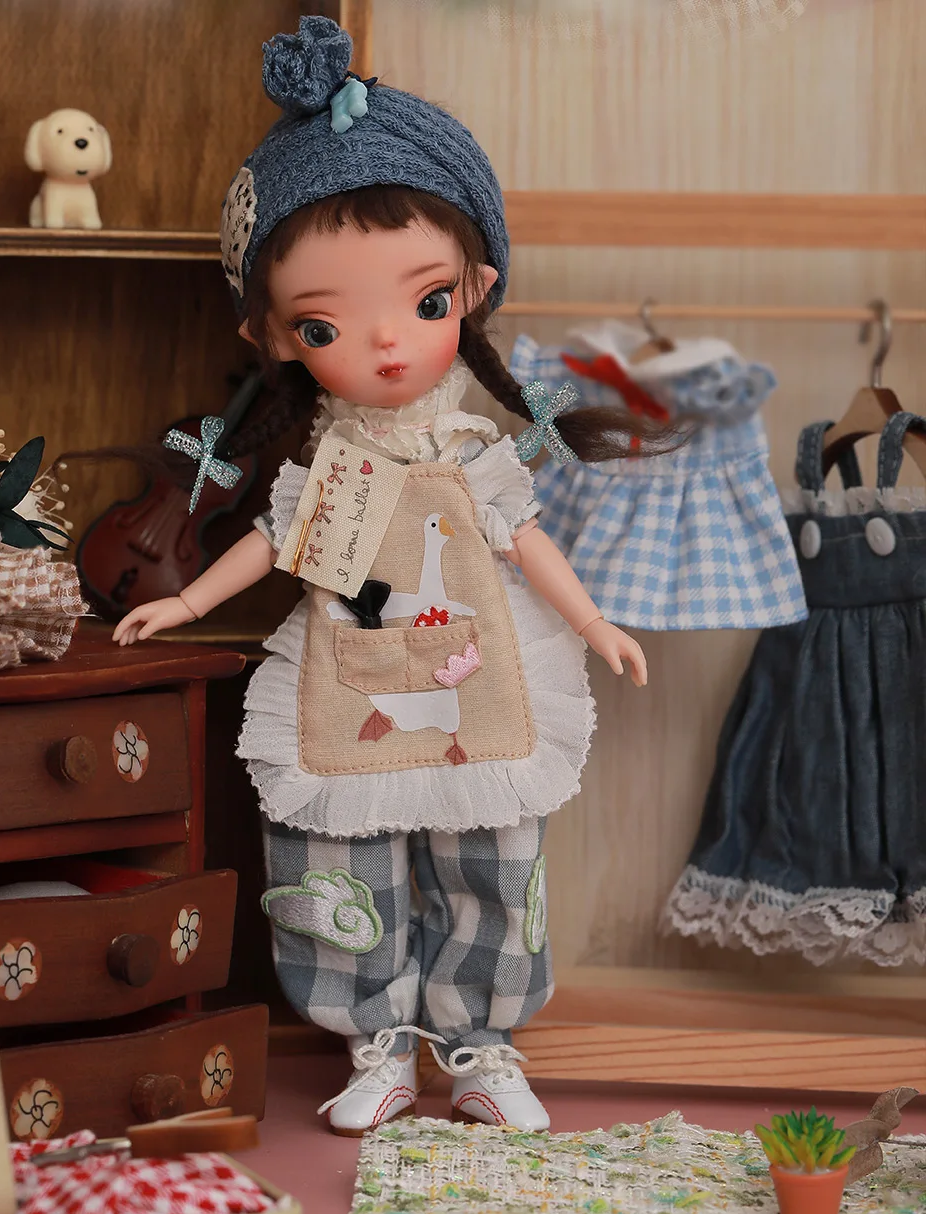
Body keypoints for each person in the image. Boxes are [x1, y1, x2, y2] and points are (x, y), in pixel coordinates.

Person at [113, 16, 678, 1135]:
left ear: (474, 289)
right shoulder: (329, 467)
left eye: (423, 304)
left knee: (491, 860)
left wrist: (594, 623)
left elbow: (526, 540)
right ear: (276, 336)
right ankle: (374, 1042)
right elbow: (273, 542)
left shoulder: (474, 455)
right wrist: (187, 599)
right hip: (350, 681)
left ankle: (480, 1046)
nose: (384, 344)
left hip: (478, 685)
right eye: (326, 322)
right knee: (338, 859)